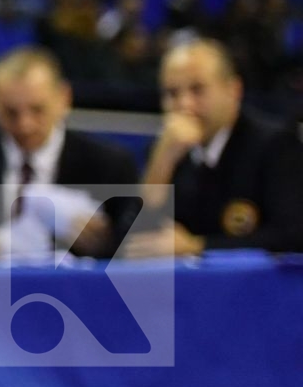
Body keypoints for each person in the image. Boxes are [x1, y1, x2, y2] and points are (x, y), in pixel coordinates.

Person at [0, 47, 138, 284]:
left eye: (37, 110)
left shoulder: (109, 165)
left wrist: (103, 244)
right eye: (11, 113)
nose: (25, 125)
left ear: (64, 98)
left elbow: (136, 265)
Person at [125, 38, 303, 256]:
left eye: (197, 90)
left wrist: (197, 246)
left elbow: (291, 235)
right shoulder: (165, 150)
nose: (184, 104)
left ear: (233, 91)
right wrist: (160, 166)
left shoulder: (273, 145)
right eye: (172, 93)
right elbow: (129, 245)